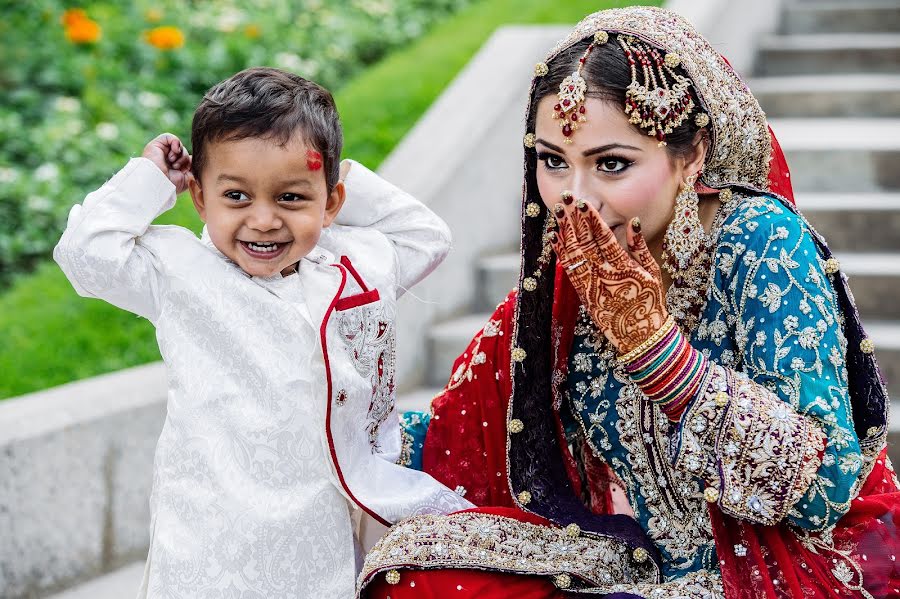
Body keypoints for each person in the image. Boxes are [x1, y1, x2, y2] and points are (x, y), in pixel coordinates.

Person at [359, 7, 900, 599]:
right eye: (552, 161)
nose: (576, 199)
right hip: (648, 564)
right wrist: (323, 391)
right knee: (412, 576)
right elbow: (463, 429)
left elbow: (826, 486)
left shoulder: (761, 242)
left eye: (612, 164)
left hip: (790, 567)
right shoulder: (581, 269)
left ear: (691, 157)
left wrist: (660, 354)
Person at [53, 67, 472, 598]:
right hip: (210, 537)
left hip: (320, 528)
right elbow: (85, 255)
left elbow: (427, 236)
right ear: (201, 199)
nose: (264, 220)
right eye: (237, 196)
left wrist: (334, 177)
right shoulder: (178, 271)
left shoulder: (349, 264)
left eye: (291, 197)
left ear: (332, 202)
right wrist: (149, 179)